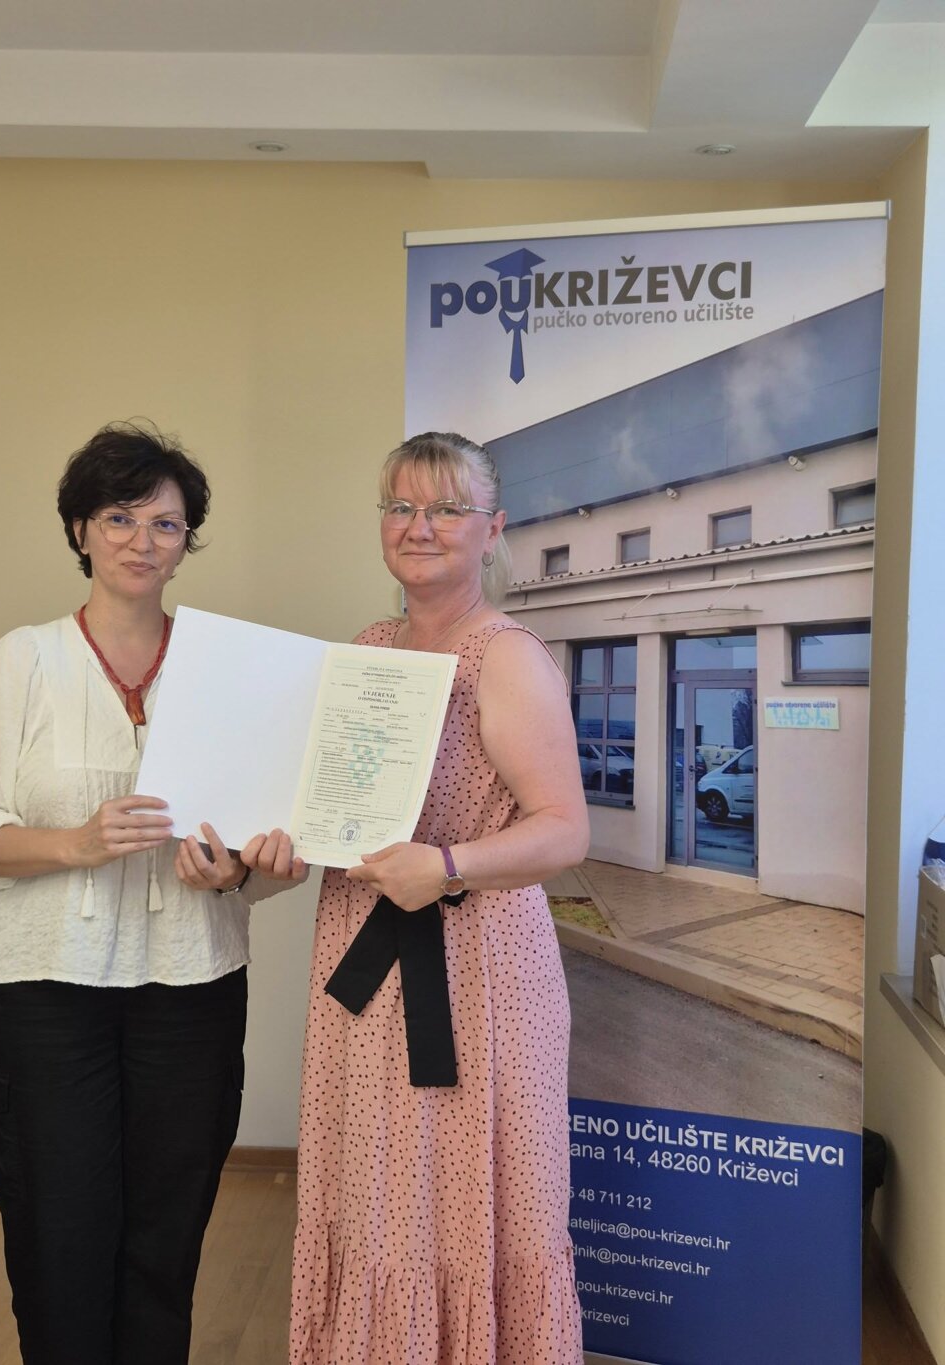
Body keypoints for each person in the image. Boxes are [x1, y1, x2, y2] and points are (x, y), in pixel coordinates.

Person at [0, 420, 307, 1365]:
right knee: (59, 1234)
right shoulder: (25, 659)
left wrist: (239, 870)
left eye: (166, 523)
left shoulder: (225, 670)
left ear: (186, 541)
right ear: (81, 530)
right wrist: (76, 842)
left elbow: (262, 842)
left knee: (167, 1238)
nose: (142, 540)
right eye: (120, 517)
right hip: (48, 994)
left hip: (193, 987)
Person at [290, 432, 590, 1364]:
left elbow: (565, 830)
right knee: (374, 1200)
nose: (418, 526)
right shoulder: (368, 647)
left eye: (447, 508)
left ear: (492, 529)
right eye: (400, 506)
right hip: (364, 966)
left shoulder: (506, 656)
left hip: (477, 972)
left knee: (464, 1206)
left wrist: (447, 864)